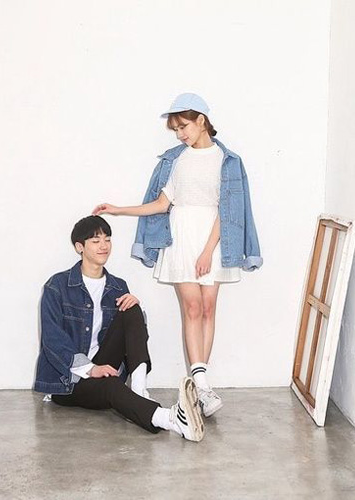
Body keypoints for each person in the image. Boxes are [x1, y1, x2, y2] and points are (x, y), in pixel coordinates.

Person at [93, 93, 262, 418]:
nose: (180, 134)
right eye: (176, 129)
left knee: (209, 308)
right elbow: (161, 204)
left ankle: (199, 385)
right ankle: (202, 385)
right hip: (182, 238)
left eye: (183, 126)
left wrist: (207, 251)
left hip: (215, 239)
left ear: (201, 120)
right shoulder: (176, 160)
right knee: (193, 307)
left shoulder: (228, 160)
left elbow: (228, 210)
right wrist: (119, 210)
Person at [34, 215, 205, 442]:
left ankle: (139, 390)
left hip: (104, 365)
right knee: (111, 386)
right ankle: (170, 419)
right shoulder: (57, 286)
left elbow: (133, 333)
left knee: (132, 307)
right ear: (79, 247)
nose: (103, 246)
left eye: (107, 239)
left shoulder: (117, 286)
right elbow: (52, 339)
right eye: (95, 241)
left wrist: (138, 309)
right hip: (68, 380)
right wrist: (90, 369)